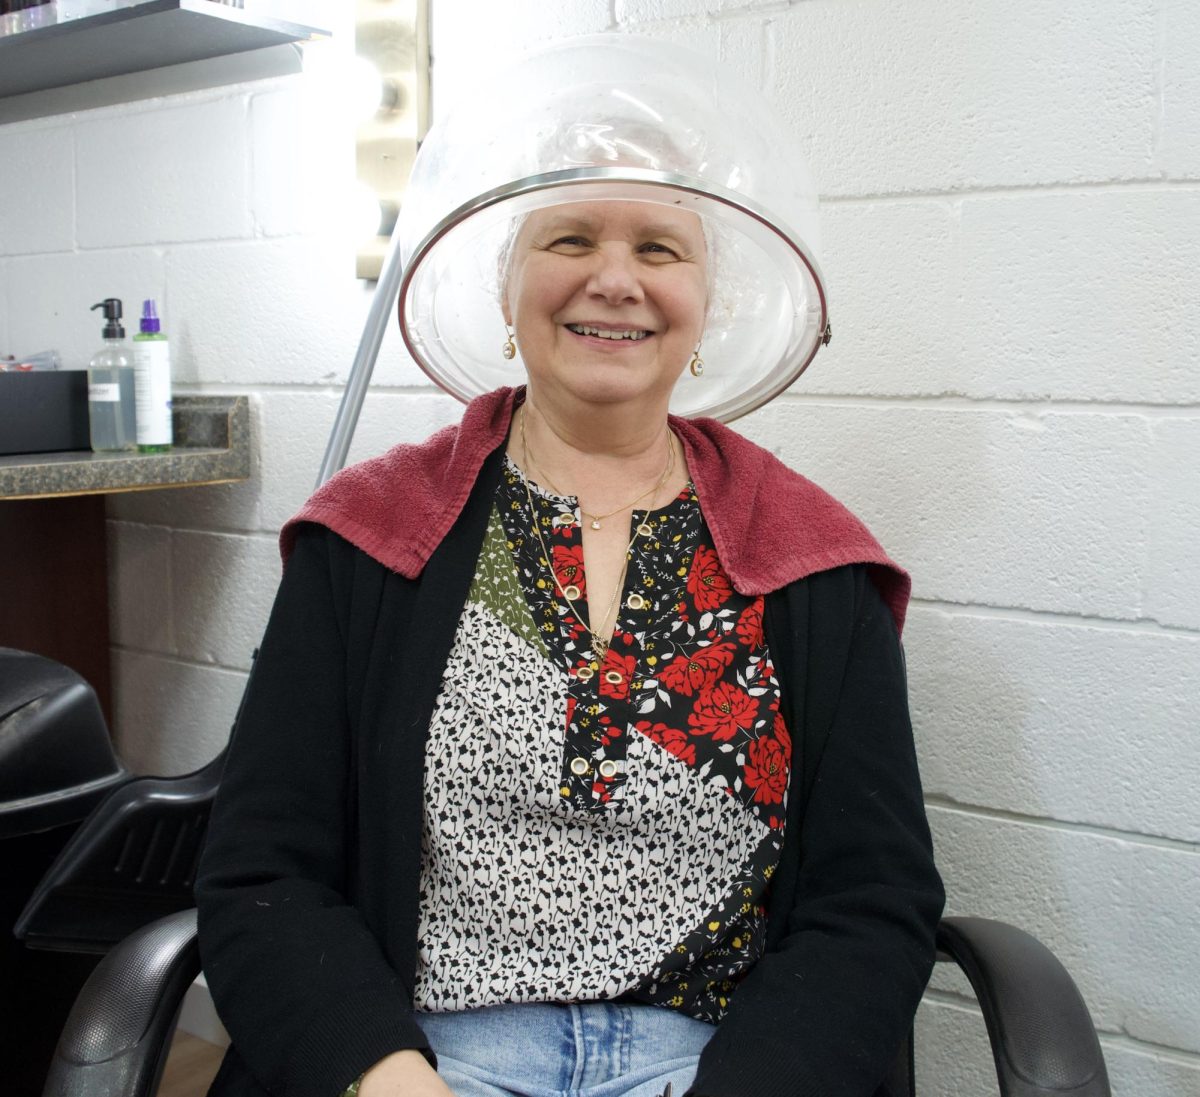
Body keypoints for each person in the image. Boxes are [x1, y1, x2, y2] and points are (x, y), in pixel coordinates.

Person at [195, 35, 943, 1097]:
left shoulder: (809, 559)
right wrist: (383, 1072)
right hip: (426, 1057)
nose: (613, 278)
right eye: (570, 235)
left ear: (707, 304)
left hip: (716, 1064)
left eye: (660, 248)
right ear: (506, 288)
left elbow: (874, 898)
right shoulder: (370, 535)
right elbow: (261, 869)